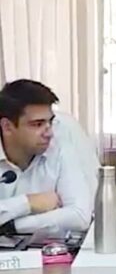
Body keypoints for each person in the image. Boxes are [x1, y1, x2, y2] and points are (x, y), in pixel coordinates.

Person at [0, 80, 93, 234]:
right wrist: (28, 203)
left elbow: (80, 215)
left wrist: (12, 226)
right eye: (37, 124)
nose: (49, 133)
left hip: (49, 248)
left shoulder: (59, 147)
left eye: (50, 122)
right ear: (7, 127)